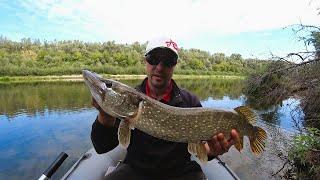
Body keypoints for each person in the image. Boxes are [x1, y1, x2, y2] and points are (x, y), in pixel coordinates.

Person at [90, 37, 240, 180]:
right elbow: (102, 147)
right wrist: (104, 114)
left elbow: (202, 149)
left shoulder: (190, 101)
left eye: (167, 61)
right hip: (136, 170)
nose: (160, 67)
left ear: (174, 65)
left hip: (180, 172)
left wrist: (213, 151)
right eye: (153, 59)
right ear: (145, 61)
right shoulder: (128, 100)